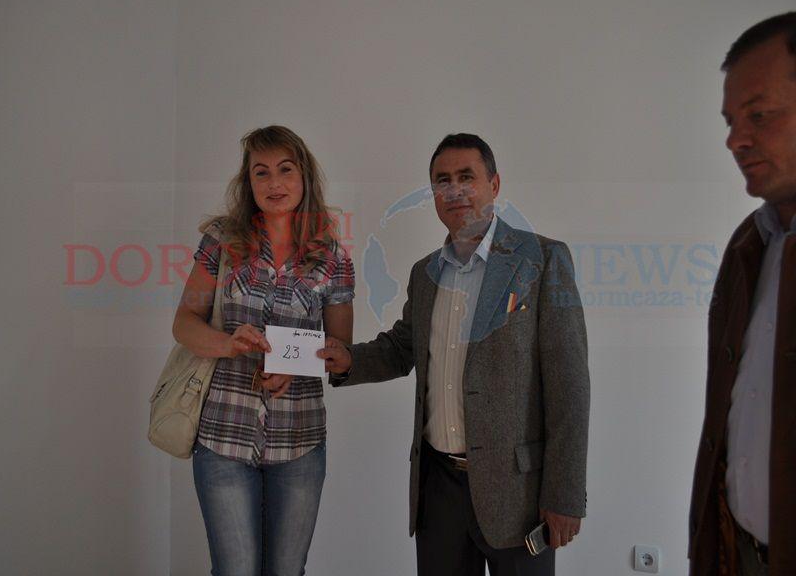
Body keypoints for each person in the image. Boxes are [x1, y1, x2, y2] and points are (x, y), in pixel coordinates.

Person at [319, 133, 590, 576]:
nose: (455, 190)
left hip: (518, 494)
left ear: (494, 184)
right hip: (438, 488)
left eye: (467, 177)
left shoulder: (542, 260)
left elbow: (570, 387)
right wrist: (350, 361)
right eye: (443, 181)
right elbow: (403, 347)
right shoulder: (425, 274)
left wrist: (565, 494)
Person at [172, 125, 354, 576]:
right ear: (248, 182)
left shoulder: (333, 258)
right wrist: (227, 343)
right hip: (222, 438)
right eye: (262, 172)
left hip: (300, 441)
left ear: (304, 176)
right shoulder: (221, 241)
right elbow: (184, 323)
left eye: (285, 170)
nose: (274, 183)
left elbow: (340, 349)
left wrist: (297, 365)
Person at [688, 12, 796, 576]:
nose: (735, 140)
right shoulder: (749, 247)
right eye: (731, 121)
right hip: (740, 553)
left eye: (760, 114)